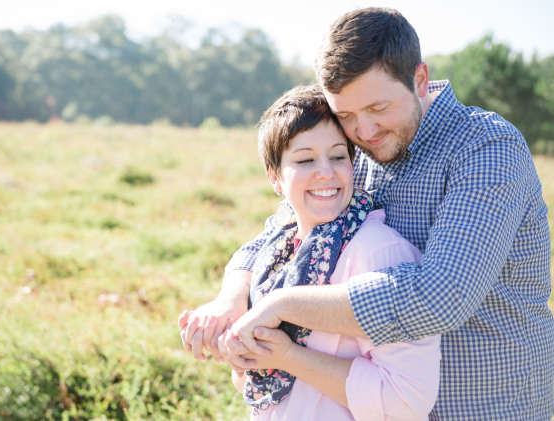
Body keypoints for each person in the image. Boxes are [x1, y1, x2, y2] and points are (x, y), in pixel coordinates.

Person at [180, 7, 554, 420]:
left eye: (379, 108)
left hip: (486, 404)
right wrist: (232, 299)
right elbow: (281, 230)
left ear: (420, 79)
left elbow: (440, 298)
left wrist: (281, 305)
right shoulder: (354, 149)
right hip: (373, 402)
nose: (364, 131)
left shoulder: (485, 148)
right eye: (346, 115)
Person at [183, 83, 441, 420]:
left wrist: (287, 356)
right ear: (275, 177)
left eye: (338, 156)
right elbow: (256, 386)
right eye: (305, 159)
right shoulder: (277, 255)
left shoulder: (377, 251)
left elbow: (406, 401)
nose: (326, 172)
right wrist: (240, 351)